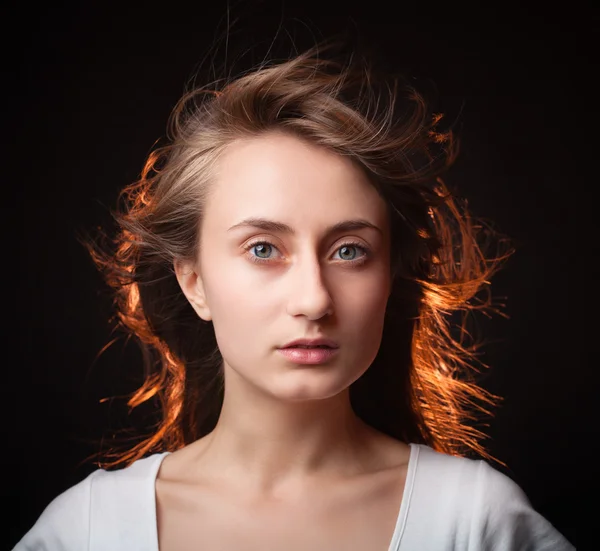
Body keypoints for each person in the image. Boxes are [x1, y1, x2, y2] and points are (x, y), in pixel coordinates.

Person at [14, 43, 575, 550]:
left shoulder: (477, 523)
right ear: (193, 280)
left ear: (390, 276)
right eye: (263, 249)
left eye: (349, 251)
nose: (313, 299)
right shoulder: (89, 530)